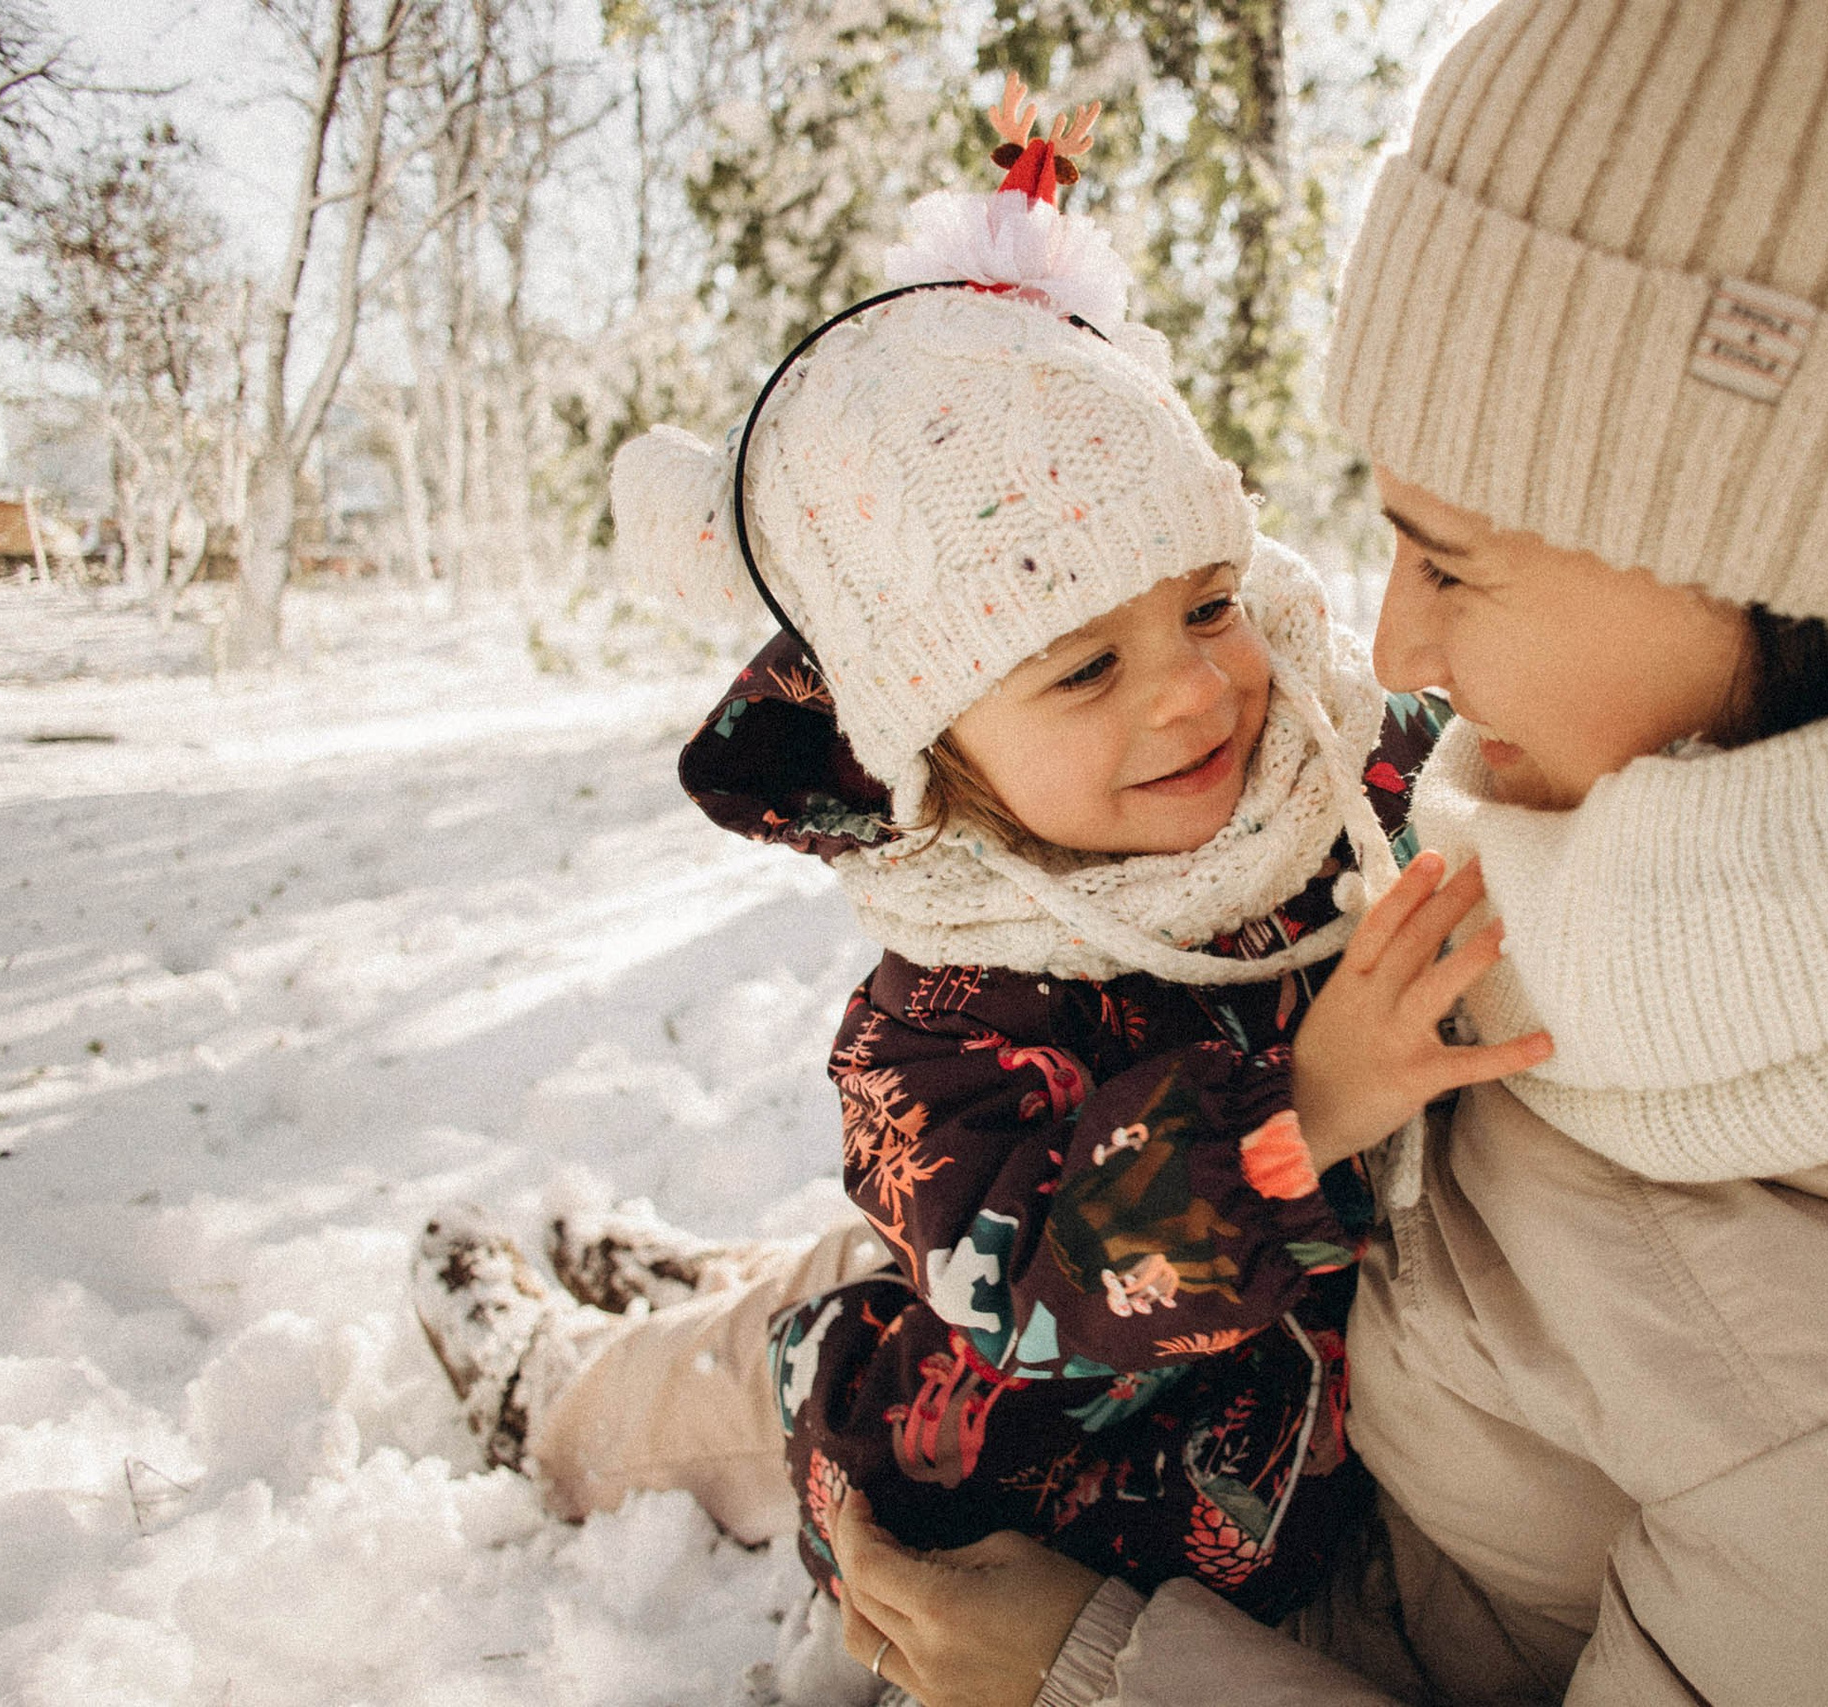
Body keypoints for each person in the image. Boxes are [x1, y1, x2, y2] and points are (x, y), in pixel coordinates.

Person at [823, 2, 1828, 1703]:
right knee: (807, 1330)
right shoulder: (1685, 786)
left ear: (1807, 550)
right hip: (1222, 1381)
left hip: (1299, 1598)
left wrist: (1094, 1672)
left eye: (1453, 563)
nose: (1390, 650)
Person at [411, 77, 1545, 1697]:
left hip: (1298, 1471)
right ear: (929, 747)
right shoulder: (929, 1026)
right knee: (756, 1378)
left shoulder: (1332, 767)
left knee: (826, 1273)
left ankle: (689, 1275)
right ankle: (553, 1385)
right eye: (1084, 668)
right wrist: (1301, 1099)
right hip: (994, 1479)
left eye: (1209, 605)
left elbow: (1500, 767)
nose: (1192, 695)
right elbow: (1039, 1285)